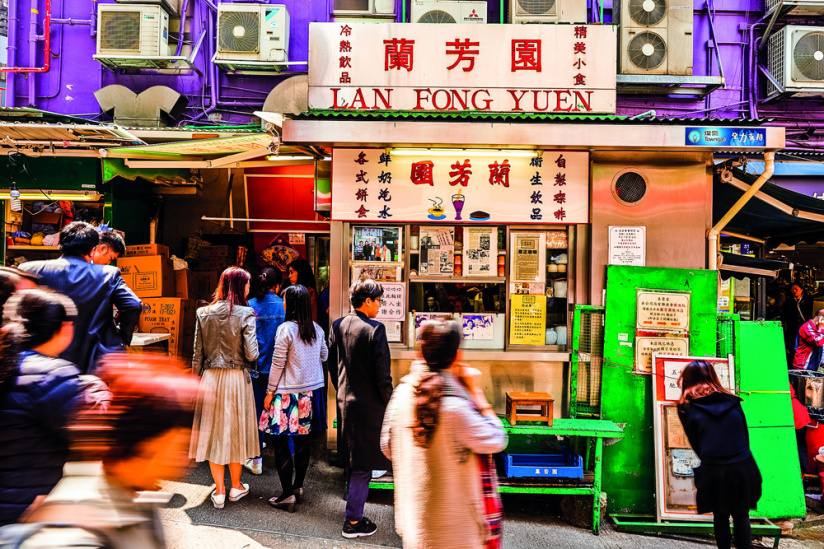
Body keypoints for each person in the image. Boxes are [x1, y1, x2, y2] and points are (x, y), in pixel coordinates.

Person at [2, 354, 199, 548]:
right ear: (146, 448)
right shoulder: (75, 537)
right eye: (177, 447)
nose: (185, 460)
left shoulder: (137, 502)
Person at [381, 320, 507, 549]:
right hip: (459, 534)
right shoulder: (457, 408)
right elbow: (497, 438)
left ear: (421, 352)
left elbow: (387, 447)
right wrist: (477, 392)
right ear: (457, 355)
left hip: (416, 529)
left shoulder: (401, 396)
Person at [0, 289, 88, 525]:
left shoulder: (8, 361)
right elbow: (86, 442)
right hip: (26, 510)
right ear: (65, 328)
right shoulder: (56, 375)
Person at [18, 221, 141, 374]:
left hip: (42, 364)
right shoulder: (108, 274)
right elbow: (133, 304)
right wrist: (122, 337)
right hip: (95, 364)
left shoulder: (28, 270)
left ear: (60, 245)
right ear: (92, 250)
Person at [328, 276, 393, 539]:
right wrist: (391, 404)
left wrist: (343, 390)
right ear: (366, 301)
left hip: (345, 402)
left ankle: (354, 515)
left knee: (356, 463)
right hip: (369, 407)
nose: (380, 306)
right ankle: (353, 521)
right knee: (363, 466)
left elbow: (332, 366)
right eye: (378, 301)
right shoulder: (375, 330)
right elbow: (383, 376)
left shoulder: (338, 324)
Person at [190, 267, 260, 509]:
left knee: (213, 433)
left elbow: (196, 354)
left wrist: (193, 381)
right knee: (235, 431)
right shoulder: (246, 313)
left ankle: (219, 492)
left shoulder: (203, 312)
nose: (250, 288)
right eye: (248, 284)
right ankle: (236, 487)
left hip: (209, 377)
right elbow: (252, 353)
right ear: (240, 287)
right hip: (236, 379)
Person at [677, 360, 762, 549]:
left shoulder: (686, 407)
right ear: (713, 376)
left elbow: (696, 443)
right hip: (743, 465)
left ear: (687, 379)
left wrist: (711, 459)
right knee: (741, 515)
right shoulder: (732, 400)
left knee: (720, 515)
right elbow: (744, 434)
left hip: (714, 469)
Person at [262, 285, 328, 512]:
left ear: (289, 304)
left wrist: (270, 392)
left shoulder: (285, 330)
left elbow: (277, 363)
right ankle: (298, 487)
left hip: (287, 393)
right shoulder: (317, 329)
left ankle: (287, 494)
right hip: (312, 392)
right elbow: (325, 355)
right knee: (302, 442)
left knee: (279, 441)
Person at [245, 267, 286, 476]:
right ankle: (289, 457)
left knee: (259, 415)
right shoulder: (284, 307)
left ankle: (256, 459)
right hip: (282, 371)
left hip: (258, 369)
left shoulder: (249, 307)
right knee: (283, 414)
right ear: (278, 285)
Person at [782, 284, 812, 359]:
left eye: (796, 289)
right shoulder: (788, 302)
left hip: (805, 326)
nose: (794, 291)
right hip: (792, 326)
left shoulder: (807, 301)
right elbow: (785, 314)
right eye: (792, 289)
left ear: (801, 290)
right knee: (793, 344)